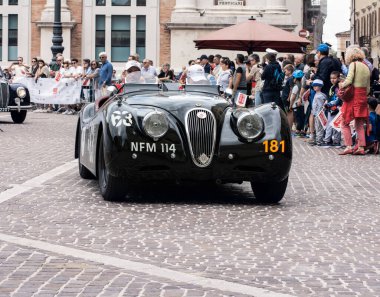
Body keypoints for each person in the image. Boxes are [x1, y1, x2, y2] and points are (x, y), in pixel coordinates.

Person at [339, 47, 371, 155]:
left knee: (344, 122)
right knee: (359, 123)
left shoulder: (353, 64)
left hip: (353, 97)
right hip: (363, 96)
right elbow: (368, 88)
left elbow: (349, 80)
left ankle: (348, 146)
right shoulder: (366, 66)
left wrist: (341, 85)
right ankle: (361, 147)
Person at [322, 71, 342, 147]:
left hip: (335, 108)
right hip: (331, 107)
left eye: (334, 78)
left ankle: (328, 141)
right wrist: (327, 102)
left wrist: (328, 104)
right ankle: (336, 141)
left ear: (338, 78)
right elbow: (330, 97)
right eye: (331, 78)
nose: (332, 80)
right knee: (335, 124)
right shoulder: (332, 87)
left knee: (333, 124)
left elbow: (337, 99)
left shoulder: (337, 88)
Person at [310, 79, 327, 146]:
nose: (314, 87)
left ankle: (319, 140)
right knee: (317, 127)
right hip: (316, 114)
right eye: (314, 86)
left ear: (320, 87)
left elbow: (320, 106)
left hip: (319, 114)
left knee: (319, 127)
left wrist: (318, 113)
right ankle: (318, 139)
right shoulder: (317, 94)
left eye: (316, 86)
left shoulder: (320, 96)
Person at [288, 70, 305, 135]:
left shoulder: (296, 87)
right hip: (303, 105)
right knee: (302, 118)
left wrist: (290, 105)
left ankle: (298, 131)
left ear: (295, 78)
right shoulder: (303, 86)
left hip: (296, 105)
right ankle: (301, 130)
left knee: (297, 118)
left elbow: (292, 97)